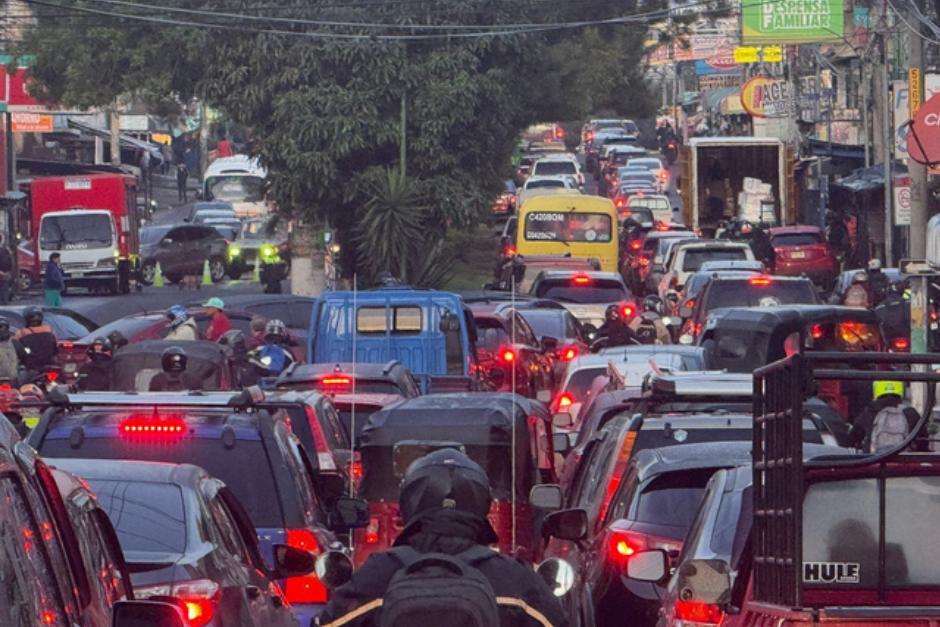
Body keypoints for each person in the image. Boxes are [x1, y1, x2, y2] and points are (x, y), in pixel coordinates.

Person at [316, 449, 568, 627]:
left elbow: (328, 622)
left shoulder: (378, 574)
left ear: (410, 502)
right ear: (481, 503)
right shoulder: (515, 580)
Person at [850, 381, 922, 453]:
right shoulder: (910, 412)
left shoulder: (869, 412)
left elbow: (853, 437)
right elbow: (922, 438)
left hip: (874, 460)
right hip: (903, 460)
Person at [14, 307, 57, 381]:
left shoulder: (21, 333)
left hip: (31, 367)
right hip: (49, 365)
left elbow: (17, 350)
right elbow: (55, 348)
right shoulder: (49, 330)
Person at [0, 234, 13, 305]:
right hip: (5, 275)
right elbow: (10, 263)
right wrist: (7, 273)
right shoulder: (5, 250)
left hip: (3, 275)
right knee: (4, 295)